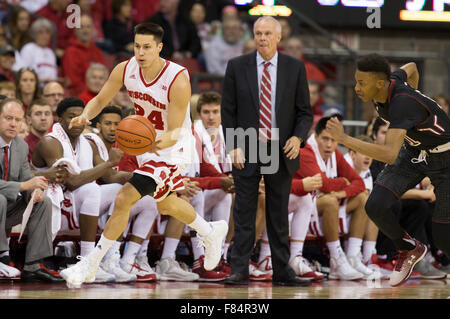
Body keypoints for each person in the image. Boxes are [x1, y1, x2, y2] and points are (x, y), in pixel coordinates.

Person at [60, 22, 228, 287]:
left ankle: (89, 265)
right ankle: (210, 230)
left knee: (125, 197)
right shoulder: (125, 69)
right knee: (166, 204)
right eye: (137, 46)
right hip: (147, 145)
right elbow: (101, 100)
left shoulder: (178, 78)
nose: (140, 52)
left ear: (159, 48)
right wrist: (85, 114)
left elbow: (173, 131)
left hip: (174, 146)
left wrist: (152, 144)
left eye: (147, 47)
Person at [325, 53, 450, 287]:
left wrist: (343, 138)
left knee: (443, 236)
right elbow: (411, 67)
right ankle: (409, 248)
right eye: (356, 81)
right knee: (375, 205)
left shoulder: (402, 103)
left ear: (380, 83)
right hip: (414, 152)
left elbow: (389, 154)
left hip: (445, 158)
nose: (356, 88)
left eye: (361, 83)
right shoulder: (390, 82)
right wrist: (414, 98)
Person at [221, 16, 313, 286]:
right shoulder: (237, 66)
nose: (262, 38)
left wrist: (298, 138)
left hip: (280, 147)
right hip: (247, 143)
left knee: (277, 214)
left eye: (267, 33)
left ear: (278, 37)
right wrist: (233, 145)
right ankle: (239, 270)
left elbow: (304, 113)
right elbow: (229, 110)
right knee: (244, 213)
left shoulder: (294, 67)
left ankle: (283, 271)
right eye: (258, 33)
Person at [0, 98, 63, 282]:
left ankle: (34, 265)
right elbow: (23, 183)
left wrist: (33, 190)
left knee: (43, 201)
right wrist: (23, 186)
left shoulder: (20, 146)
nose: (13, 124)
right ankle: (2, 256)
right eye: (8, 118)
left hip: (7, 209)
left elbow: (27, 176)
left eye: (18, 120)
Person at [62, 14, 105, 96]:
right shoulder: (71, 52)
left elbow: (103, 75)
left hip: (98, 94)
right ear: (75, 30)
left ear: (93, 29)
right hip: (81, 96)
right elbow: (74, 81)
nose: (85, 30)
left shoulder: (97, 51)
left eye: (88, 27)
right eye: (81, 27)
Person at [19, 18, 58, 85]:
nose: (45, 36)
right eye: (41, 32)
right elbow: (22, 74)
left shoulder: (50, 52)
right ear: (34, 34)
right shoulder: (28, 49)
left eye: (47, 32)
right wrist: (41, 80)